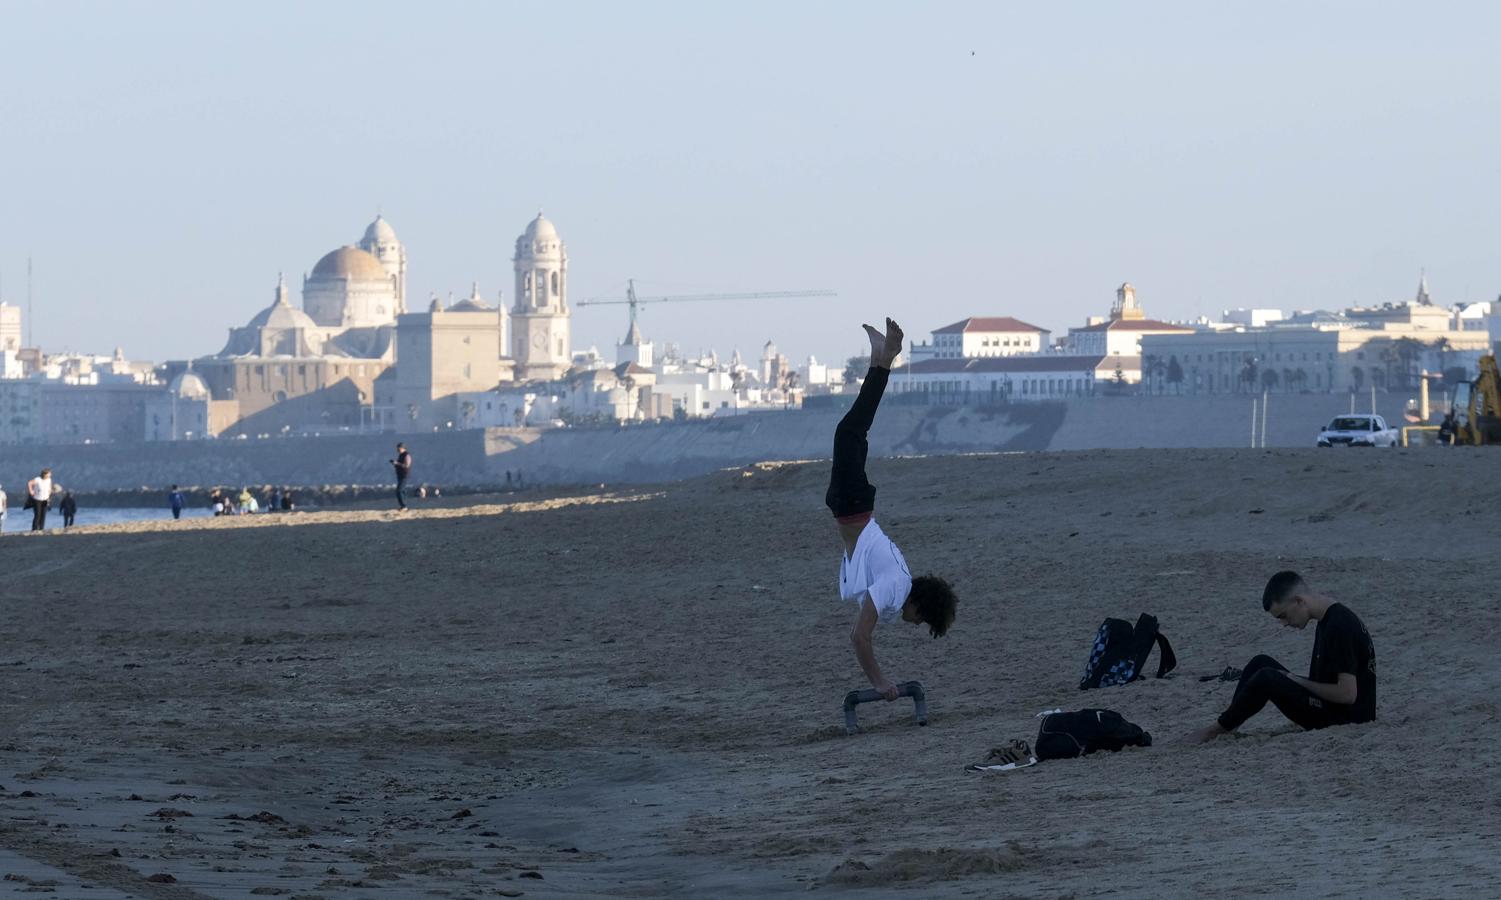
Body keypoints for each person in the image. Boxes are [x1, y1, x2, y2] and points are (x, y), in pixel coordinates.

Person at [828, 319, 957, 701]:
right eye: (922, 620)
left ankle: (881, 359)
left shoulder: (898, 584)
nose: (915, 624)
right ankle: (884, 358)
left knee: (852, 432)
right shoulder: (896, 587)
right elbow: (859, 636)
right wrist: (880, 684)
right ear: (920, 607)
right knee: (850, 432)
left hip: (852, 506)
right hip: (852, 504)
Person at [1189, 571, 1376, 742]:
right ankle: (1231, 723)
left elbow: (1348, 694)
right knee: (1260, 662)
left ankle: (1217, 729)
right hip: (1329, 707)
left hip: (1346, 718)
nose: (1284, 623)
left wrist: (1298, 681)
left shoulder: (1339, 625)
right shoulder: (1328, 618)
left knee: (1267, 677)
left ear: (1299, 601)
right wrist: (1296, 681)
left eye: (1283, 615)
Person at [391, 442, 412, 510]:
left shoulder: (407, 455)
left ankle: (404, 506)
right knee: (403, 491)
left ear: (403, 448)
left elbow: (406, 465)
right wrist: (395, 464)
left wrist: (397, 463)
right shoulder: (401, 455)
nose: (397, 450)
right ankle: (404, 505)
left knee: (399, 490)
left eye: (398, 448)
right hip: (400, 475)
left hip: (404, 475)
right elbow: (400, 464)